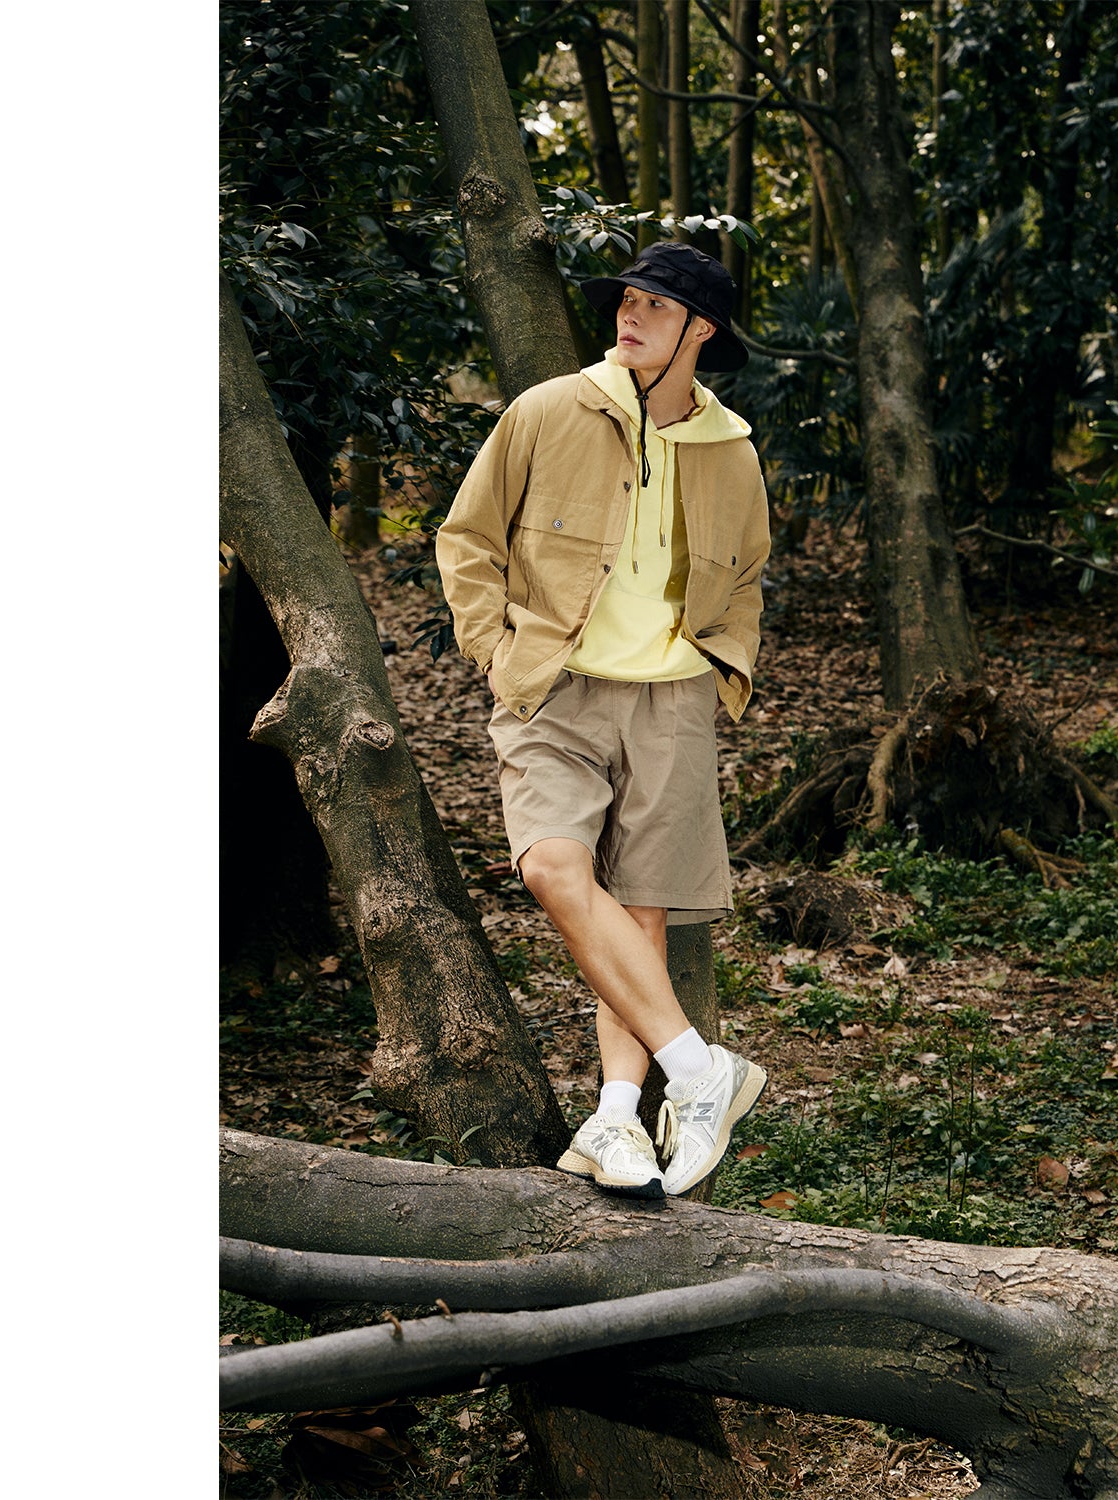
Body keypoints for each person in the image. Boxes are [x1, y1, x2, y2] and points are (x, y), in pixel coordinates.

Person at [435, 241, 769, 1199]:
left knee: (640, 916)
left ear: (700, 331)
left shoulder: (731, 451)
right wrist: (496, 652)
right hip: (556, 688)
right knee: (552, 867)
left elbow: (746, 574)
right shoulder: (550, 411)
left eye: (655, 305)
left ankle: (618, 1118)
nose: (630, 313)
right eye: (627, 298)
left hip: (673, 702)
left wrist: (724, 665)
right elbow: (467, 537)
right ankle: (701, 1074)